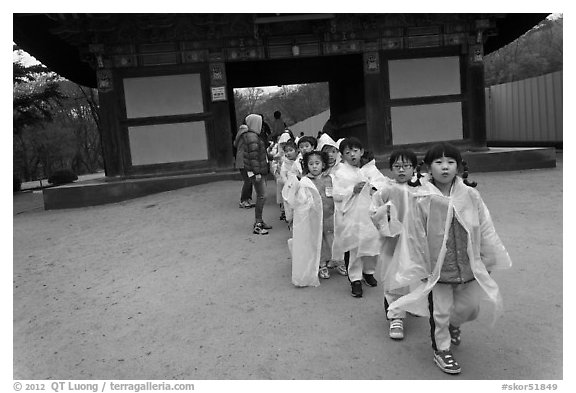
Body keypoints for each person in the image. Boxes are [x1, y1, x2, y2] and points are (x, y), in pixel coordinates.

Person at [387, 142, 511, 374]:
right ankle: (441, 349)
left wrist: (488, 257)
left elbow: (485, 227)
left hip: (468, 265)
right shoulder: (421, 198)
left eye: (450, 162)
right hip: (438, 269)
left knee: (471, 308)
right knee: (440, 312)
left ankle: (455, 324)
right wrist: (420, 267)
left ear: (459, 167)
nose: (445, 167)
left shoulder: (471, 195)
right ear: (427, 167)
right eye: (439, 162)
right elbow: (413, 235)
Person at [369, 149, 421, 340]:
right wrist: (386, 212)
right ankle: (396, 316)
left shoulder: (421, 189)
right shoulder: (386, 190)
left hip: (416, 243)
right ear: (391, 169)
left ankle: (414, 303)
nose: (401, 170)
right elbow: (373, 212)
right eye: (397, 166)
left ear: (414, 168)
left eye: (406, 166)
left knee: (417, 275)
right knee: (393, 277)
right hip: (393, 242)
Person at [332, 137, 382, 298]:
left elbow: (383, 186)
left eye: (355, 151)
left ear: (361, 152)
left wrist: (374, 188)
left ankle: (369, 272)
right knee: (354, 247)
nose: (352, 155)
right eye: (347, 152)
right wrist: (352, 190)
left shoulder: (370, 169)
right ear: (342, 155)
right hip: (352, 215)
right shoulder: (340, 173)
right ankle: (355, 279)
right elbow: (337, 194)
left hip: (369, 214)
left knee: (372, 244)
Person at [289, 151, 336, 285]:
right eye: (311, 164)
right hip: (314, 218)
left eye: (317, 163)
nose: (314, 167)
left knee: (333, 239)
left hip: (330, 215)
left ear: (323, 164)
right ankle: (321, 265)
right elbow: (300, 200)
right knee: (318, 241)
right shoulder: (305, 181)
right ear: (306, 166)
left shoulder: (330, 178)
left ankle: (336, 260)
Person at [241, 114, 273, 235]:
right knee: (262, 196)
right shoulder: (252, 137)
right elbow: (253, 157)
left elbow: (259, 154)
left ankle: (260, 221)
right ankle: (258, 224)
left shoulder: (252, 136)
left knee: (262, 196)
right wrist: (257, 172)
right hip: (257, 172)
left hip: (258, 170)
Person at [233, 124, 255, 209]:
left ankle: (246, 200)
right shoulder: (245, 135)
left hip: (240, 159)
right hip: (244, 159)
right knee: (248, 180)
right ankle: (244, 200)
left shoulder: (239, 135)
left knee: (248, 180)